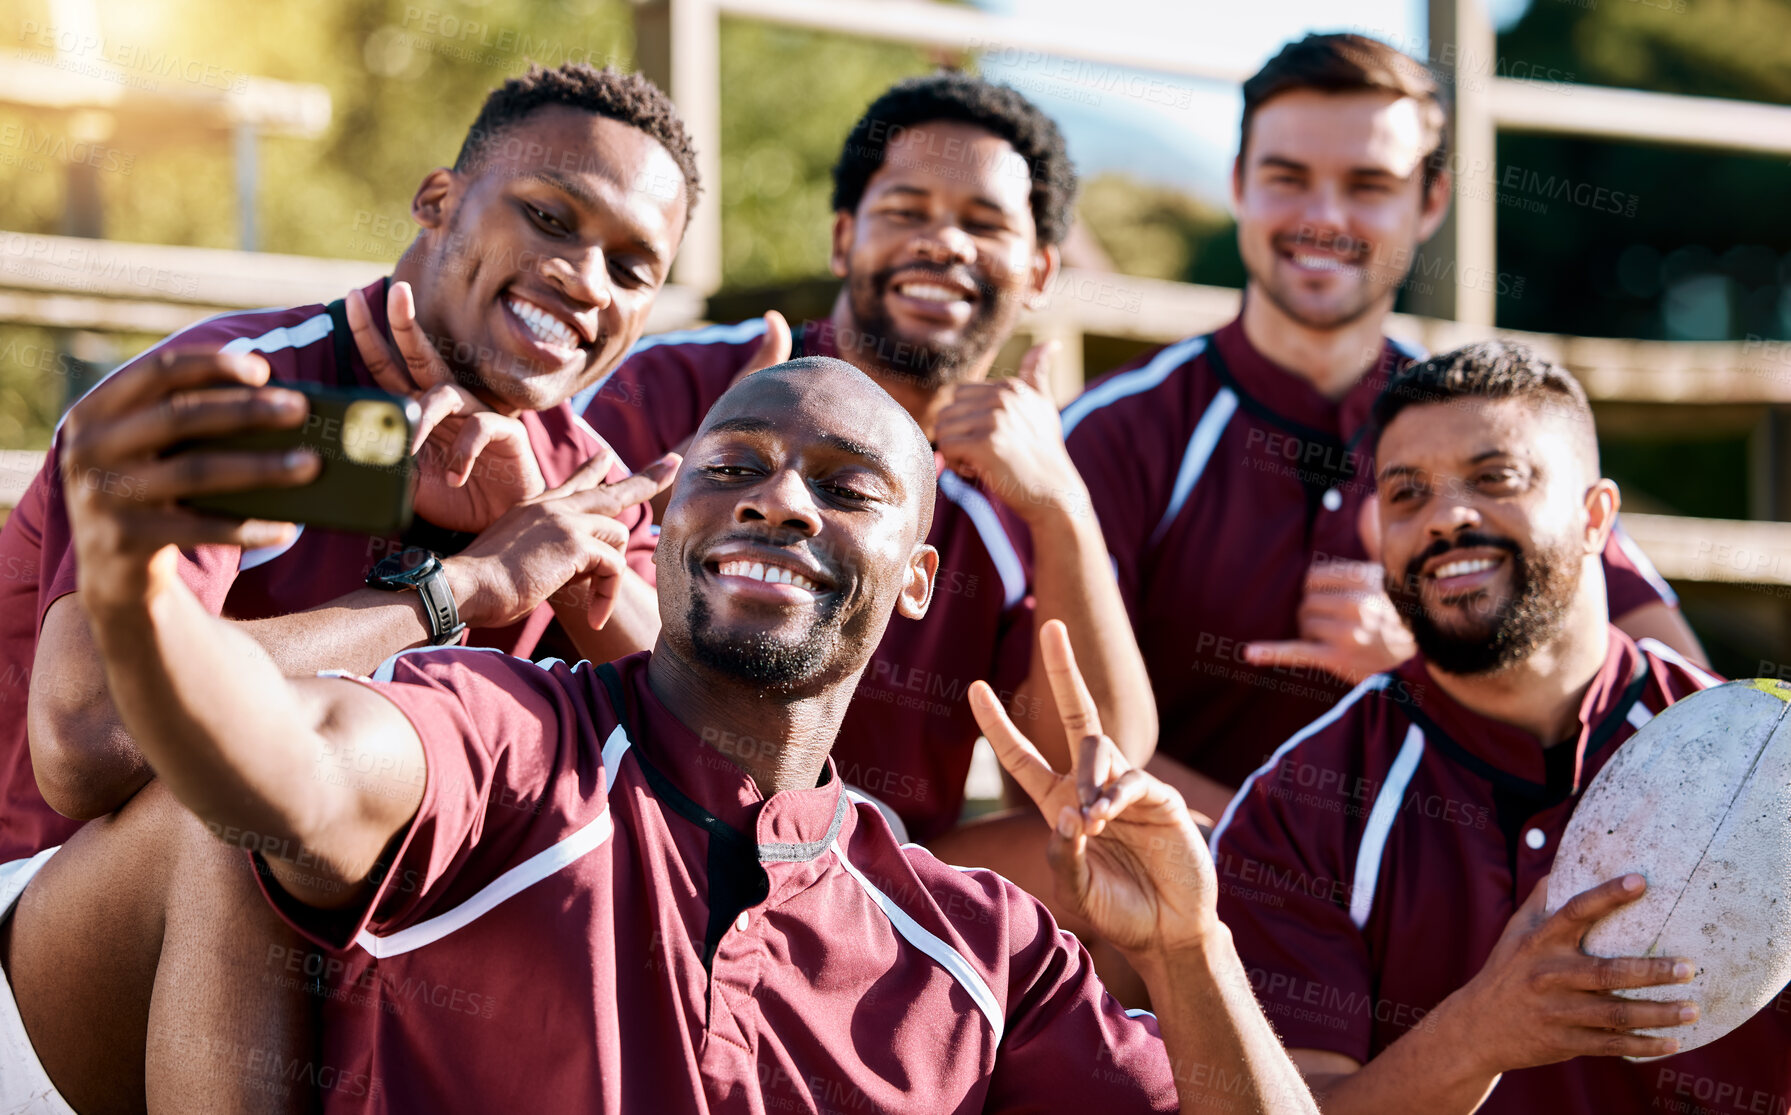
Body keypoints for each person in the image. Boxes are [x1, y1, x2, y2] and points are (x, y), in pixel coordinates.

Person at [10, 353, 1320, 1114]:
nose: (777, 503)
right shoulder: (510, 739)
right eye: (730, 467)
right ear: (670, 523)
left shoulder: (974, 945)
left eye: (844, 486)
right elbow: (290, 763)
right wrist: (133, 589)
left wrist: (1190, 949)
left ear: (916, 579)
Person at [0, 62, 695, 1112]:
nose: (587, 278)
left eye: (634, 268)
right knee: (248, 786)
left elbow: (721, 765)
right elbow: (88, 738)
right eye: (552, 216)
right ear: (438, 200)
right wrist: (458, 585)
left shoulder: (577, 478)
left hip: (368, 970)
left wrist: (587, 576)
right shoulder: (246, 389)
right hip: (60, 953)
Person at [1055, 33, 1703, 823]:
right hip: (1190, 905)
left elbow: (1686, 713)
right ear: (1237, 185)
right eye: (1287, 178)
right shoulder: (1117, 429)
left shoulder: (1493, 422)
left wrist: (1433, 659)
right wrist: (1269, 868)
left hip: (1482, 907)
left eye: (1368, 183)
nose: (1324, 217)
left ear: (1430, 200)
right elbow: (1064, 736)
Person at [1210, 341, 1788, 1113]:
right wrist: (1480, 1032)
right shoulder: (1295, 807)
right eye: (1406, 493)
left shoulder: (1764, 771)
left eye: (1494, 478)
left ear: (1594, 517)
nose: (1446, 516)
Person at [577, 72, 1155, 843]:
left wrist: (1062, 509)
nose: (942, 241)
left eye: (983, 221)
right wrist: (699, 495)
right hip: (629, 812)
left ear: (1042, 270)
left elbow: (1098, 762)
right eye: (905, 209)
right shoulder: (682, 381)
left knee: (1117, 844)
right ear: (844, 236)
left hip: (870, 886)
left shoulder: (1020, 480)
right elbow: (546, 563)